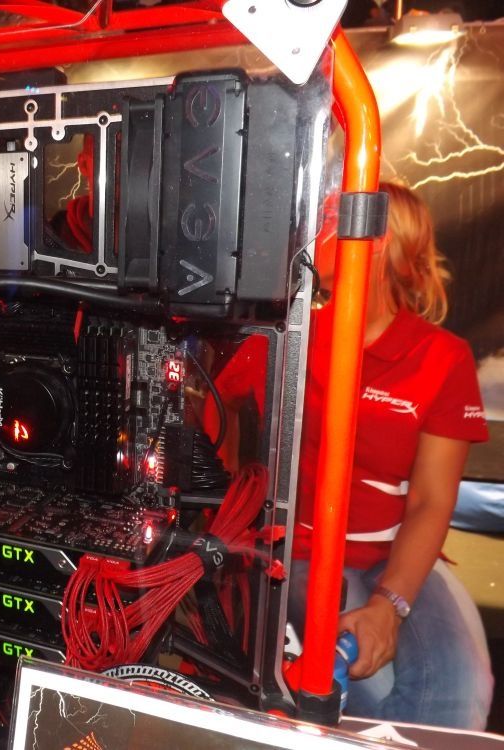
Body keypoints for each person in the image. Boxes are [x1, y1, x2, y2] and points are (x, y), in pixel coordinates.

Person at [206, 181, 492, 728]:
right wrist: (230, 502)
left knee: (460, 688)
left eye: (332, 217)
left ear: (375, 238)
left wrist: (390, 605)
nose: (315, 229)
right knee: (369, 688)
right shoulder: (288, 335)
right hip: (299, 552)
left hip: (396, 555)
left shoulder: (441, 357)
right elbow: (215, 404)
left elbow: (432, 501)